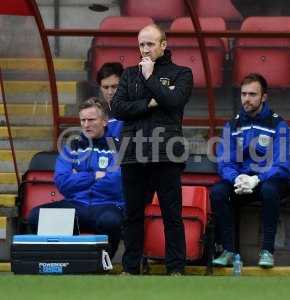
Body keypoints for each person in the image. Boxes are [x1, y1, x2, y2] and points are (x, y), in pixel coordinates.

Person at [111, 24, 193, 275]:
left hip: (166, 152)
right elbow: (117, 108)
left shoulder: (182, 73)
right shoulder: (128, 74)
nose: (145, 49)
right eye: (141, 45)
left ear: (163, 45)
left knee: (171, 215)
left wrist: (150, 78)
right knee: (132, 215)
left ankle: (176, 269)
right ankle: (131, 268)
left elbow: (175, 101)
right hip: (132, 152)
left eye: (150, 44)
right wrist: (151, 102)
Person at [211, 73, 290, 268]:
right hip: (240, 181)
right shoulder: (232, 124)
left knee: (269, 191)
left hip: (267, 180)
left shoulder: (278, 124)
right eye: (244, 94)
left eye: (253, 94)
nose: (247, 99)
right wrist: (237, 178)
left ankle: (267, 251)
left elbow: (281, 164)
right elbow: (224, 161)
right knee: (218, 192)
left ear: (264, 97)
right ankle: (229, 250)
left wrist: (257, 179)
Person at [28, 97, 124, 259]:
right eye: (83, 120)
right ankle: (70, 259)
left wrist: (77, 177)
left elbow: (116, 183)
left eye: (92, 119)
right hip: (76, 204)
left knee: (111, 221)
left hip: (107, 205)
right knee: (36, 215)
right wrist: (94, 176)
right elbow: (62, 182)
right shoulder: (72, 147)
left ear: (105, 121)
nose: (86, 125)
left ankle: (101, 262)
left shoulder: (120, 147)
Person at [96, 62, 124, 138]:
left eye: (114, 86)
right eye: (105, 87)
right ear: (100, 88)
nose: (110, 92)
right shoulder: (96, 114)